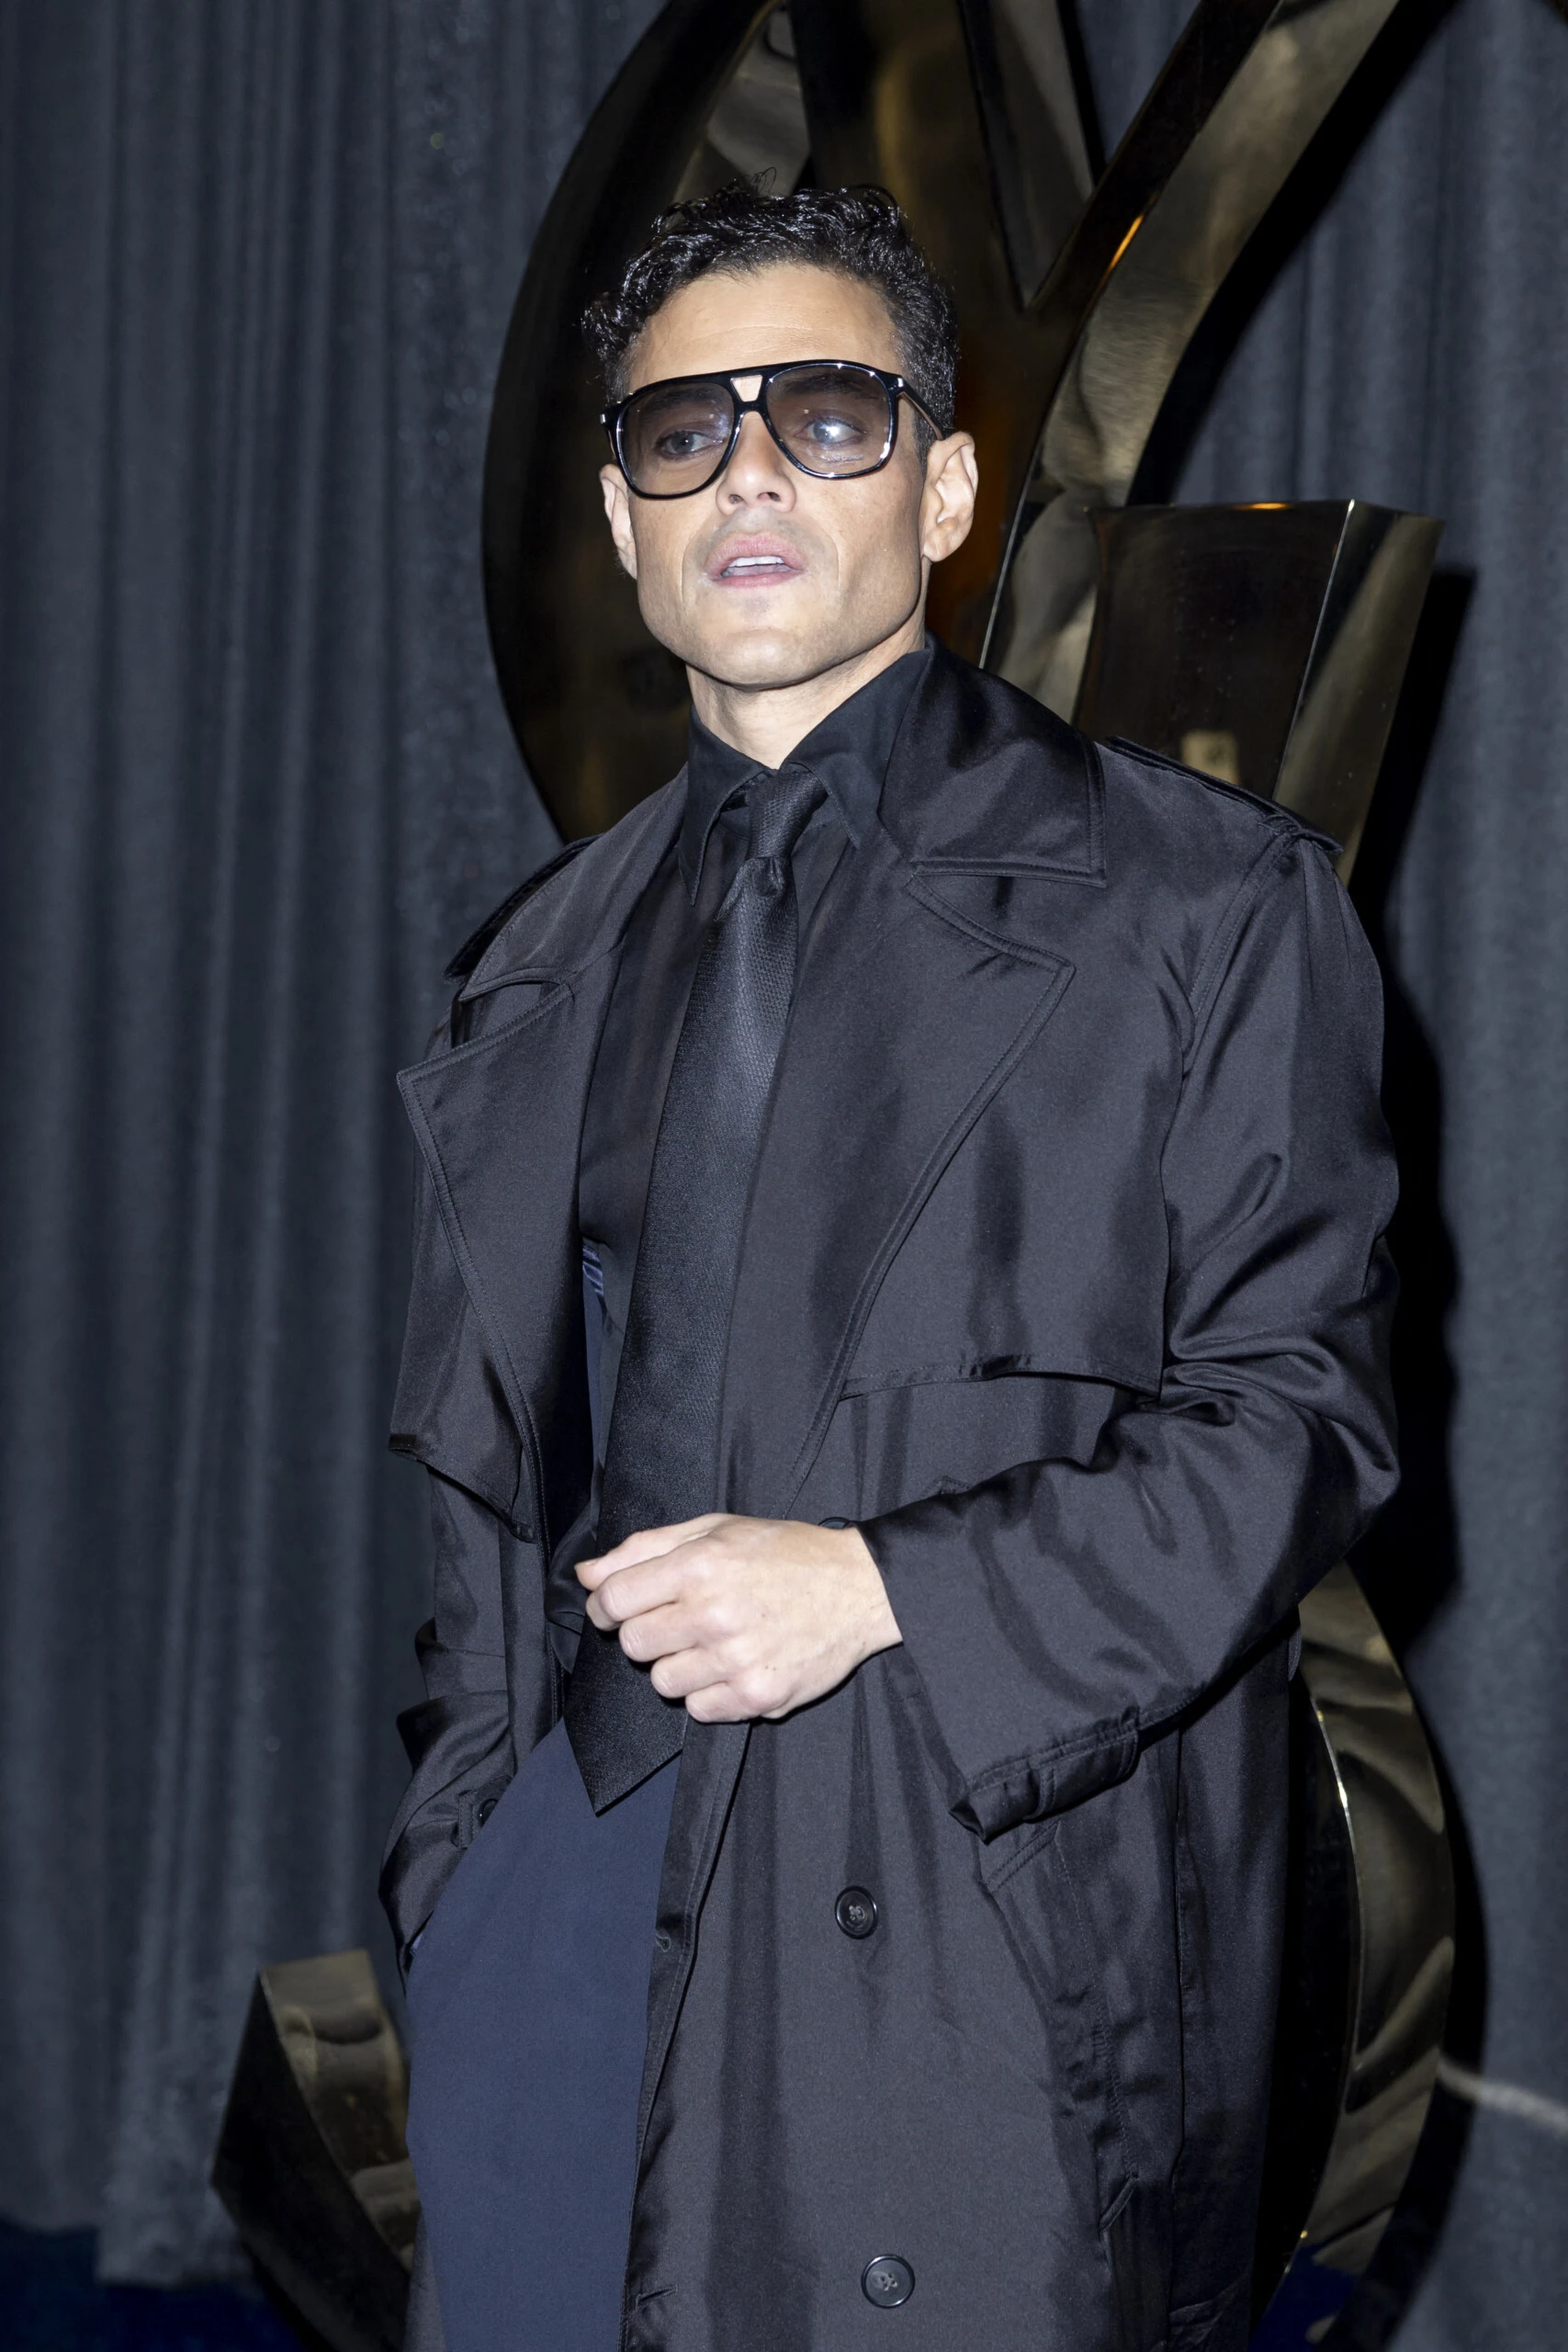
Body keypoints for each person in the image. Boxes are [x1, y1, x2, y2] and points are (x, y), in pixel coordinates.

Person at [379, 182, 1397, 2352]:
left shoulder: (1203, 905)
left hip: (965, 1923)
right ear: (622, 519)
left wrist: (884, 1584)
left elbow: (1299, 1423)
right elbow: (485, 1495)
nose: (747, 471)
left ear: (940, 489)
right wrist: (461, 1868)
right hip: (564, 1918)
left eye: (825, 415)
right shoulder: (527, 966)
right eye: (684, 432)